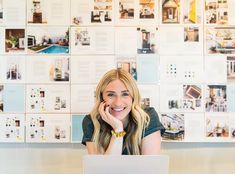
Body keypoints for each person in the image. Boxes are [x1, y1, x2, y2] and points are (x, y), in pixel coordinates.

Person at [82, 68, 165, 155]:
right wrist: (118, 130)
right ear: (102, 97)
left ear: (133, 97)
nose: (118, 103)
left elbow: (150, 166)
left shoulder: (147, 117)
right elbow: (102, 167)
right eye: (111, 95)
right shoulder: (92, 121)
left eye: (125, 94)